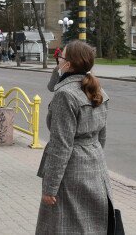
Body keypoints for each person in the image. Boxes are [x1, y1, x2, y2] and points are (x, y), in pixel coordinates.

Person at [36, 40, 113, 234]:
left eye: (61, 57)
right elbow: (101, 136)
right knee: (92, 225)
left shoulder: (66, 95)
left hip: (70, 172)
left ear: (68, 64)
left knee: (63, 226)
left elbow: (61, 145)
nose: (58, 60)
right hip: (95, 165)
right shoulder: (97, 90)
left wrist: (50, 187)